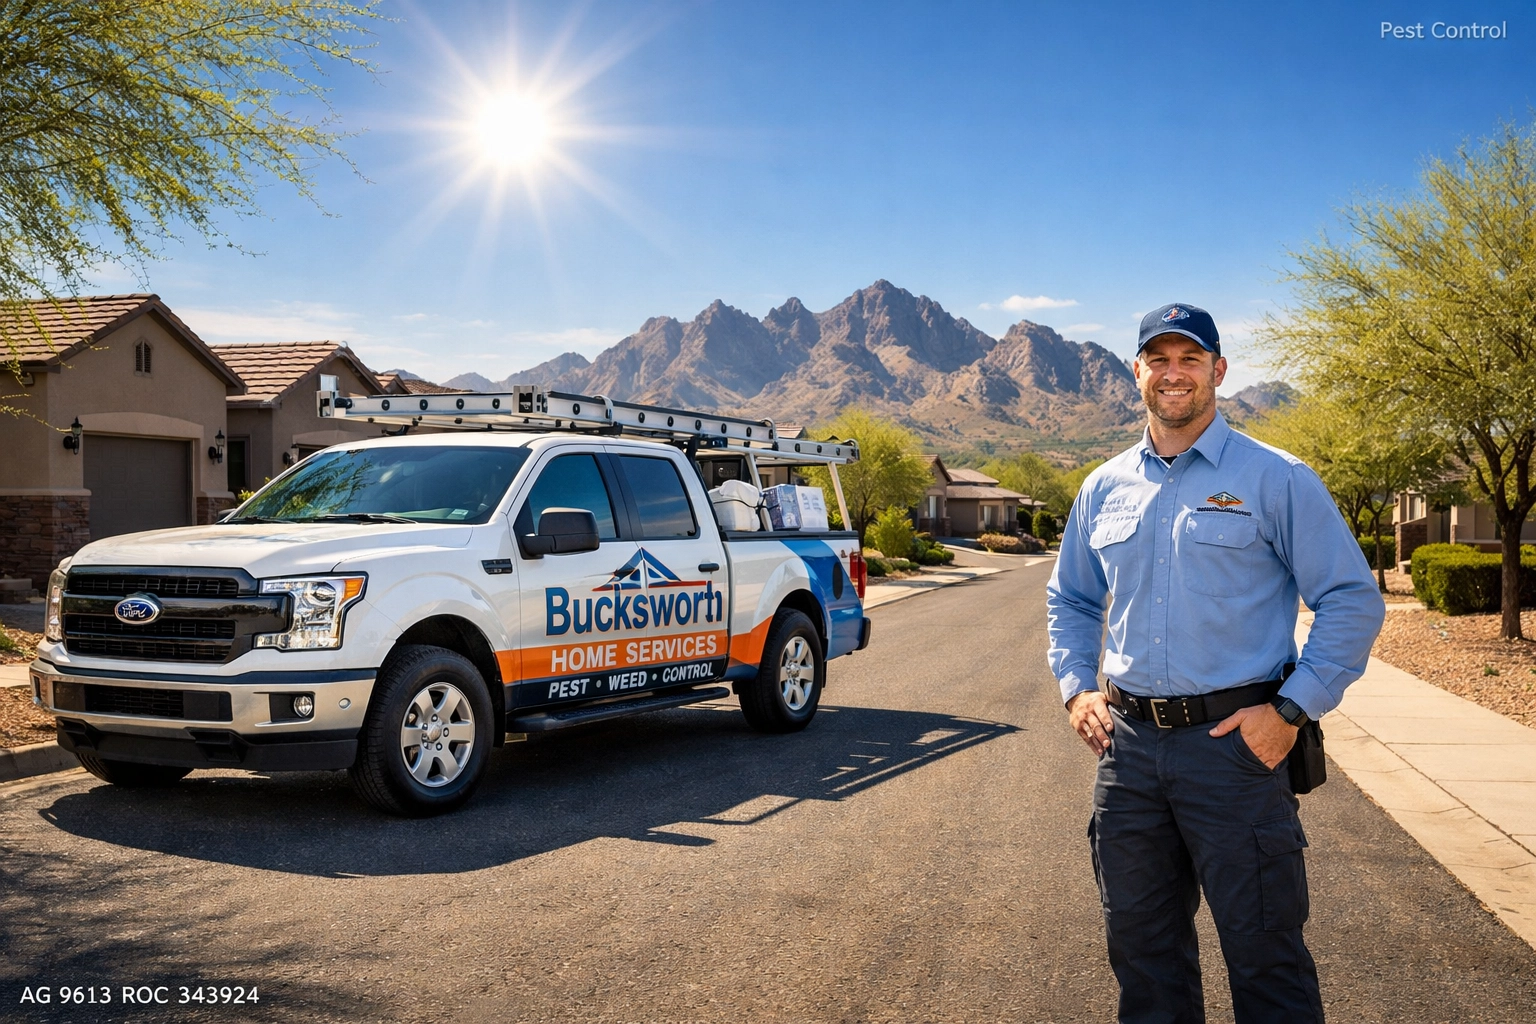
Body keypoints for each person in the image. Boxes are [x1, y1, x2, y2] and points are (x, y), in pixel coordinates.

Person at [1045, 302, 1385, 1024]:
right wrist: (1077, 689)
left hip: (1236, 752)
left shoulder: (1278, 478)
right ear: (1136, 372)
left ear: (1218, 371)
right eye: (1158, 359)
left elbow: (1352, 600)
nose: (1174, 374)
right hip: (1129, 754)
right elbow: (1071, 599)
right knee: (1143, 958)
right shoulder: (1102, 487)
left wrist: (1293, 710)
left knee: (1266, 959)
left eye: (1189, 359)